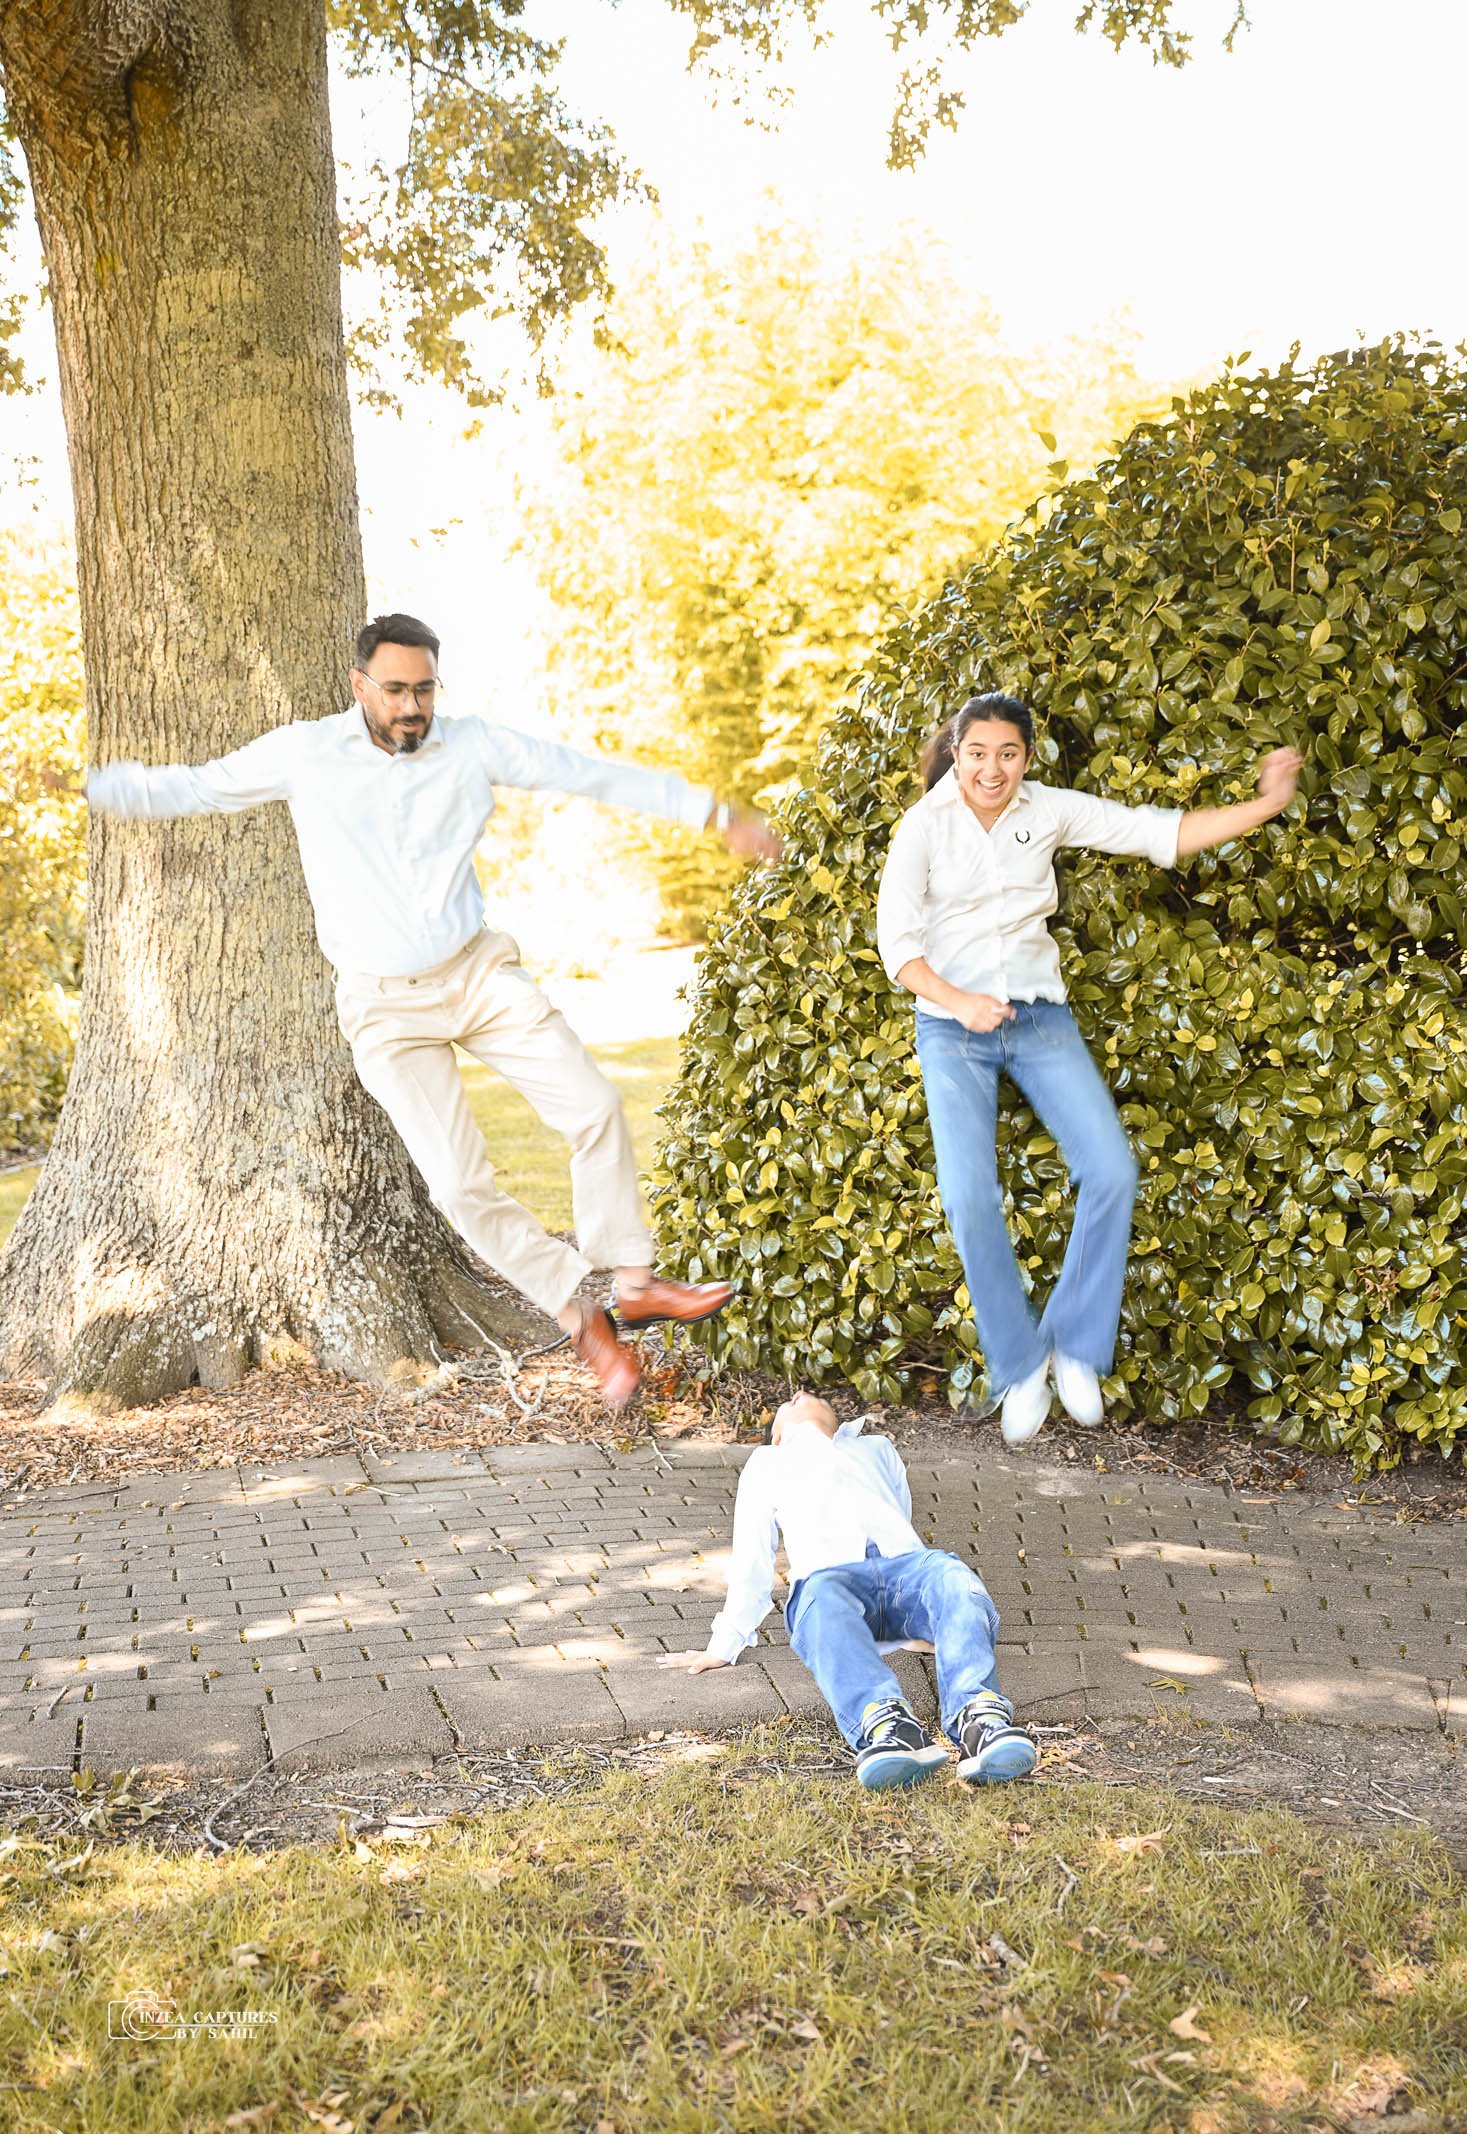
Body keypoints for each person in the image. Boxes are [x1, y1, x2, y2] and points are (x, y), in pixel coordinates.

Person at [86, 611, 781, 1407]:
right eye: (394, 690)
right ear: (359, 687)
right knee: (458, 1186)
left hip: (476, 974)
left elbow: (584, 772)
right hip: (384, 1008)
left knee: (592, 1104)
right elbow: (200, 786)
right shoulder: (306, 752)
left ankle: (633, 1279)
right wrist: (106, 785)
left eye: (423, 689)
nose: (411, 706)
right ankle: (579, 1314)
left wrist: (715, 815)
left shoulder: (473, 744)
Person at [876, 692, 1302, 1447]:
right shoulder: (923, 826)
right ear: (955, 752)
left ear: (1026, 759)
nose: (991, 768)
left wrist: (1266, 803)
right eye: (976, 752)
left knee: (1110, 1170)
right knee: (968, 1194)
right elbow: (896, 945)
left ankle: (1073, 1345)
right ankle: (1017, 1363)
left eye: (1007, 753)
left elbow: (1154, 831)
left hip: (1039, 1015)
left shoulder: (1047, 808)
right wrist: (956, 1001)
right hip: (952, 1027)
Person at [659, 1392, 1036, 1790]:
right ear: (777, 1437)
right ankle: (888, 1726)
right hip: (832, 1588)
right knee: (819, 1592)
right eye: (789, 1402)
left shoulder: (875, 1447)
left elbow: (899, 1516)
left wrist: (927, 1619)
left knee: (950, 1572)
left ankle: (981, 1722)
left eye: (808, 1394)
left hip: (904, 1574)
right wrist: (724, 1644)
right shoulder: (767, 1463)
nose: (799, 1393)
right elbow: (753, 1559)